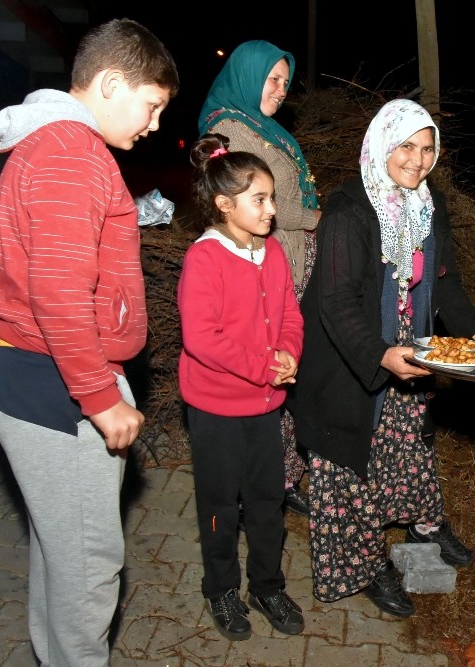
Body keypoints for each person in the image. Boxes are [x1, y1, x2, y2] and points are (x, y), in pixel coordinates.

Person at [0, 18, 178, 666]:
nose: (151, 124)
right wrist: (99, 394)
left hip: (32, 374)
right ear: (113, 82)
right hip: (54, 384)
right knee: (88, 568)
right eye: (151, 106)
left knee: (60, 554)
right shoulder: (71, 152)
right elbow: (59, 289)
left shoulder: (53, 146)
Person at [286, 99, 475, 617]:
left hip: (408, 344)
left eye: (428, 148)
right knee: (350, 463)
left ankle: (419, 523)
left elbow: (443, 285)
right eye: (407, 145)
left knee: (405, 442)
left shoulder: (429, 206)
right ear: (383, 143)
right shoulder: (349, 211)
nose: (419, 159)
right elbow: (336, 304)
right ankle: (363, 566)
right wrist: (380, 354)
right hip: (351, 354)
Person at [178, 134, 305, 641]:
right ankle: (221, 588)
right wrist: (261, 365)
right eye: (260, 200)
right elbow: (202, 338)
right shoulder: (205, 259)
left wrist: (290, 353)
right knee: (219, 506)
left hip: (265, 406)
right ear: (223, 205)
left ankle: (267, 585)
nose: (272, 209)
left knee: (267, 501)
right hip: (215, 410)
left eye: (272, 198)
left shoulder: (271, 252)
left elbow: (291, 312)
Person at [198, 39, 319, 516]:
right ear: (247, 75)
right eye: (271, 79)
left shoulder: (260, 126)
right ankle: (256, 488)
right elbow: (261, 201)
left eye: (285, 82)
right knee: (263, 367)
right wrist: (314, 216)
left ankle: (280, 475)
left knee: (283, 366)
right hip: (261, 267)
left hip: (283, 262)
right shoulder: (231, 127)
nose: (280, 90)